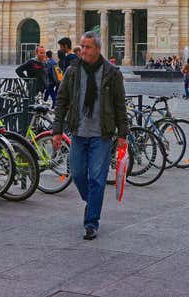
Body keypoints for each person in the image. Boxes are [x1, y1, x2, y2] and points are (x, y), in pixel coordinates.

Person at [52, 32, 127, 240]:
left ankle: (91, 222)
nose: (83, 51)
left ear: (98, 49)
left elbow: (120, 105)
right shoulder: (73, 70)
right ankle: (92, 202)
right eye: (82, 46)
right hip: (78, 131)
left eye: (87, 47)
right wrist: (57, 130)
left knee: (97, 178)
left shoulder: (112, 73)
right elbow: (61, 100)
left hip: (101, 134)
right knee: (77, 173)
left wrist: (123, 133)